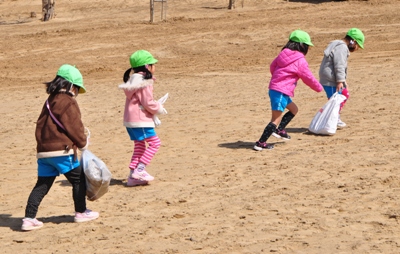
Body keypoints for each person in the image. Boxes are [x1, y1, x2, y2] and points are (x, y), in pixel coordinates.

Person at [22, 64, 99, 231]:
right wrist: (83, 143)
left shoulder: (50, 101)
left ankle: (29, 218)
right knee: (79, 180)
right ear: (71, 86)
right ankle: (81, 212)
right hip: (62, 151)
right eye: (77, 88)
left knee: (42, 184)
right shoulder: (68, 102)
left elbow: (41, 125)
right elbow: (74, 126)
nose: (77, 92)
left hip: (44, 152)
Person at [254, 30, 323, 151]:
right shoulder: (300, 61)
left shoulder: (282, 54)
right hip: (280, 91)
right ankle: (260, 143)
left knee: (294, 109)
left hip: (277, 89)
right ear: (302, 46)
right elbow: (308, 77)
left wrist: (277, 79)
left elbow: (272, 67)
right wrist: (318, 88)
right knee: (275, 119)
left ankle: (279, 130)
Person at [119, 50, 167, 186]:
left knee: (139, 146)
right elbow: (147, 102)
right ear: (147, 66)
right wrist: (159, 108)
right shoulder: (145, 81)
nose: (154, 67)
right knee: (155, 143)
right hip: (140, 120)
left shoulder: (132, 80)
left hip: (130, 121)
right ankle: (140, 169)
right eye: (153, 64)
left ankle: (132, 176)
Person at [319, 28, 365, 128]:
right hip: (330, 79)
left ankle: (335, 117)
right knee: (336, 100)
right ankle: (333, 118)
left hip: (330, 77)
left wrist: (343, 80)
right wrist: (340, 81)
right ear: (353, 41)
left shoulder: (338, 45)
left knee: (343, 95)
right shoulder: (342, 48)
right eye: (358, 46)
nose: (357, 49)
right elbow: (339, 65)